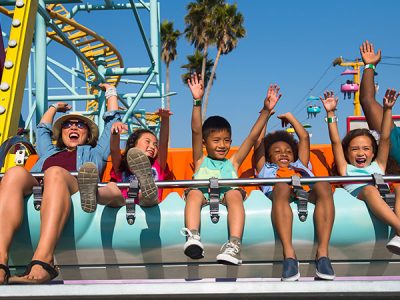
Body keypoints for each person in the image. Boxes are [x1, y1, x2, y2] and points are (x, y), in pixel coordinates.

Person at [0, 83, 120, 284]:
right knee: (13, 174)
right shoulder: (49, 152)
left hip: (73, 187)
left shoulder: (95, 152)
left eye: (80, 125)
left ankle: (44, 260)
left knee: (54, 173)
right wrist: (54, 108)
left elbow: (112, 123)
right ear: (62, 133)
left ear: (87, 134)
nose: (73, 127)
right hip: (39, 187)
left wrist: (111, 92)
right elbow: (42, 129)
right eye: (67, 124)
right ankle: (1, 259)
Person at [181, 73, 281, 265]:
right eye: (216, 140)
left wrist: (266, 111)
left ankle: (234, 245)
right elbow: (195, 130)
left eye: (227, 141)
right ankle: (193, 236)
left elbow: (252, 138)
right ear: (205, 142)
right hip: (203, 195)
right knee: (193, 193)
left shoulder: (233, 162)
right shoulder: (200, 159)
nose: (222, 145)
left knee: (235, 194)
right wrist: (196, 101)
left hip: (226, 196)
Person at [254, 109, 335, 281]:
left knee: (323, 185)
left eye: (288, 151)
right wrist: (266, 115)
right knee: (282, 186)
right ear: (268, 156)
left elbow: (304, 137)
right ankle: (289, 256)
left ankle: (322, 255)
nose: (284, 153)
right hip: (279, 194)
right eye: (277, 151)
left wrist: (290, 117)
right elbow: (258, 141)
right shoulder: (266, 168)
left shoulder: (300, 164)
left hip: (304, 193)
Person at [321, 90, 400, 256]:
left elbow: (385, 137)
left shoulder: (378, 165)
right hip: (362, 195)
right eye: (355, 149)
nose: (360, 153)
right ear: (347, 153)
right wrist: (330, 113)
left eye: (366, 149)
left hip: (384, 197)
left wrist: (387, 110)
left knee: (399, 188)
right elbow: (335, 141)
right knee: (370, 190)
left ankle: (397, 234)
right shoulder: (346, 169)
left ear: (373, 152)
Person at [78, 109, 172, 210]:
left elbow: (163, 143)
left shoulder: (158, 165)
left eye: (155, 145)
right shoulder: (121, 166)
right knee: (112, 187)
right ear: (133, 145)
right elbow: (114, 150)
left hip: (149, 206)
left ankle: (147, 188)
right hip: (123, 206)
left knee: (144, 195)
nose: (152, 147)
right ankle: (93, 194)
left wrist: (165, 119)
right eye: (147, 142)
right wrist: (115, 133)